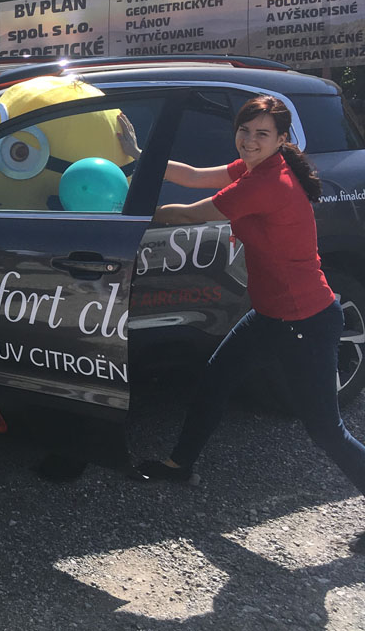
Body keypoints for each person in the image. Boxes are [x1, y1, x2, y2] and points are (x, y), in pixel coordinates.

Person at [135, 95, 365, 554]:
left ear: (281, 139)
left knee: (324, 428)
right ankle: (180, 465)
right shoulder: (255, 168)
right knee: (215, 380)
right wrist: (142, 156)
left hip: (305, 320)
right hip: (270, 314)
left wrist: (135, 218)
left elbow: (192, 212)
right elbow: (193, 175)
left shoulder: (269, 182)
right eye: (244, 130)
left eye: (262, 133)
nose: (249, 140)